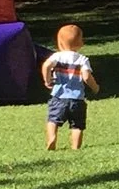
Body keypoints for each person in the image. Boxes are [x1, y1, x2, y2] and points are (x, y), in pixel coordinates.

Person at [41, 23, 100, 151]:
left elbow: (46, 66)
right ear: (80, 43)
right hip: (77, 99)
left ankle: (52, 138)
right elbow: (86, 77)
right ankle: (75, 147)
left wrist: (47, 80)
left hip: (58, 96)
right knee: (77, 125)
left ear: (59, 42)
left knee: (53, 119)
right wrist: (95, 87)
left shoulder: (57, 56)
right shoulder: (82, 59)